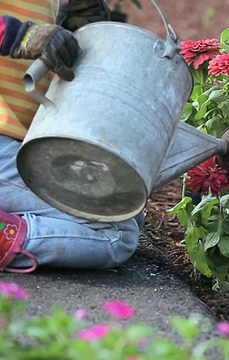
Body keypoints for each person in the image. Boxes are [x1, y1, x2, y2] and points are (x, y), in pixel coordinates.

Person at [0, 0, 140, 272]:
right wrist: (23, 35)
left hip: (16, 140)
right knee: (115, 233)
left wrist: (74, 27)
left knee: (127, 207)